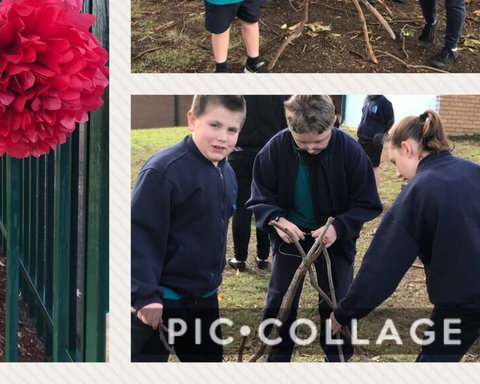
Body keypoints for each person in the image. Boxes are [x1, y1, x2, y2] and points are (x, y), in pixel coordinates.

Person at [330, 109, 480, 362]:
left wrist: (344, 313)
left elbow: (382, 266)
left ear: (407, 148)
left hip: (462, 302)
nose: (397, 173)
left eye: (395, 162)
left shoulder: (419, 190)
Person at [249, 94, 382, 362]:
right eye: (303, 143)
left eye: (319, 142)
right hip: (291, 239)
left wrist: (340, 227)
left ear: (333, 123)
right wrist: (277, 219)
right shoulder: (276, 148)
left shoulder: (350, 152)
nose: (311, 149)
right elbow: (260, 195)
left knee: (337, 301)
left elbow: (366, 202)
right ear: (290, 129)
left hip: (334, 240)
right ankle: (275, 357)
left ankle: (337, 358)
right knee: (279, 302)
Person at [131, 95, 245, 362]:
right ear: (192, 120)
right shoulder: (163, 171)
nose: (223, 138)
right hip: (161, 300)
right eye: (214, 125)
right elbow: (139, 235)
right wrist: (146, 296)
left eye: (232, 130)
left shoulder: (227, 173)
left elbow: (216, 227)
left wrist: (213, 276)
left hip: (204, 299)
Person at [227, 94, 288, 273]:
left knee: (242, 207)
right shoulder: (279, 92)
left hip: (240, 153)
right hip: (269, 152)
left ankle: (240, 258)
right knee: (265, 204)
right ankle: (262, 256)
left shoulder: (239, 91)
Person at [356, 94, 395, 187]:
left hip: (374, 141)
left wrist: (382, 134)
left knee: (373, 166)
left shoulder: (384, 102)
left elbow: (391, 121)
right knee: (360, 164)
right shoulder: (367, 99)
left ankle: (374, 193)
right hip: (361, 139)